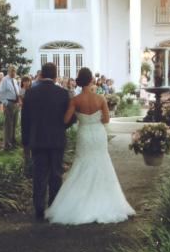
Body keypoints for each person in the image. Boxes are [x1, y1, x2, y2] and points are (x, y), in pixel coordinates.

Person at [45, 67, 135, 225]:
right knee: (102, 163)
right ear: (91, 80)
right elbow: (106, 120)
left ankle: (78, 203)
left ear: (80, 80)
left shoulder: (75, 100)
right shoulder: (100, 99)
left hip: (84, 133)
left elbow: (66, 120)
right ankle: (104, 201)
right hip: (98, 134)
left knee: (82, 164)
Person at [21, 61, 71, 221]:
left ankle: (39, 208)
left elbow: (25, 120)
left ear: (41, 75)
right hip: (56, 139)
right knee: (56, 174)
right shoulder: (63, 94)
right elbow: (69, 119)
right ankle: (54, 206)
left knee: (39, 174)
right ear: (55, 76)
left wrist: (25, 142)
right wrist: (61, 126)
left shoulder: (30, 93)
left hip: (37, 140)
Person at [0, 64, 21, 150]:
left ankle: (12, 142)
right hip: (9, 103)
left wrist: (18, 101)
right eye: (12, 71)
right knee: (8, 124)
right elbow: (0, 93)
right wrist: (6, 103)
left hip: (15, 103)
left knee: (14, 124)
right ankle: (7, 144)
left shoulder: (15, 80)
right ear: (8, 71)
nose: (13, 72)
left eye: (15, 71)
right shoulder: (5, 80)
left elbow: (16, 92)